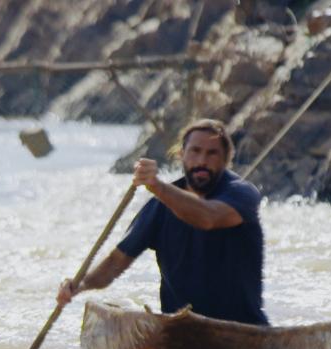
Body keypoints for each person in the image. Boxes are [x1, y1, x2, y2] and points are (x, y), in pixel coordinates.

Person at [57, 118, 269, 326]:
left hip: (244, 327)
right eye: (195, 151)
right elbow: (116, 262)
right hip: (180, 330)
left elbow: (208, 218)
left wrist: (157, 186)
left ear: (226, 159)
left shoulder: (241, 193)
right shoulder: (158, 207)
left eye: (212, 153)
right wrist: (79, 285)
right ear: (181, 155)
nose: (202, 161)